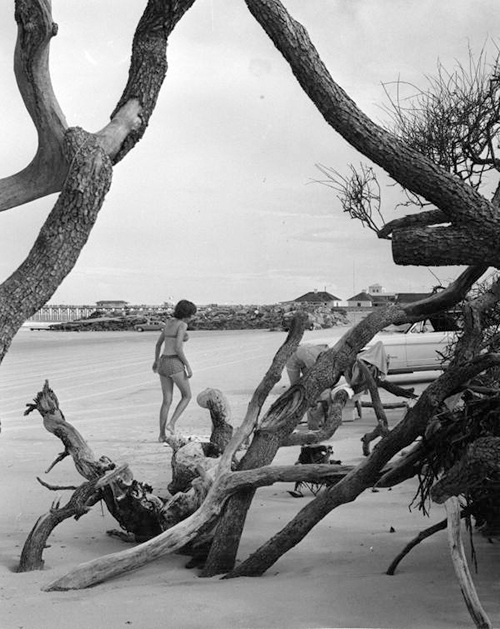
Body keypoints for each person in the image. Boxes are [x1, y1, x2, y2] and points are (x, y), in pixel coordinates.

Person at [153, 299, 197, 441]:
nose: (194, 317)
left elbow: (158, 344)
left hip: (163, 361)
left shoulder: (169, 323)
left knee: (166, 400)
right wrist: (187, 365)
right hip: (174, 362)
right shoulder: (182, 325)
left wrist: (156, 361)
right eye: (193, 314)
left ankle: (161, 435)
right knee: (187, 395)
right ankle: (171, 424)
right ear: (188, 314)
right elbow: (178, 348)